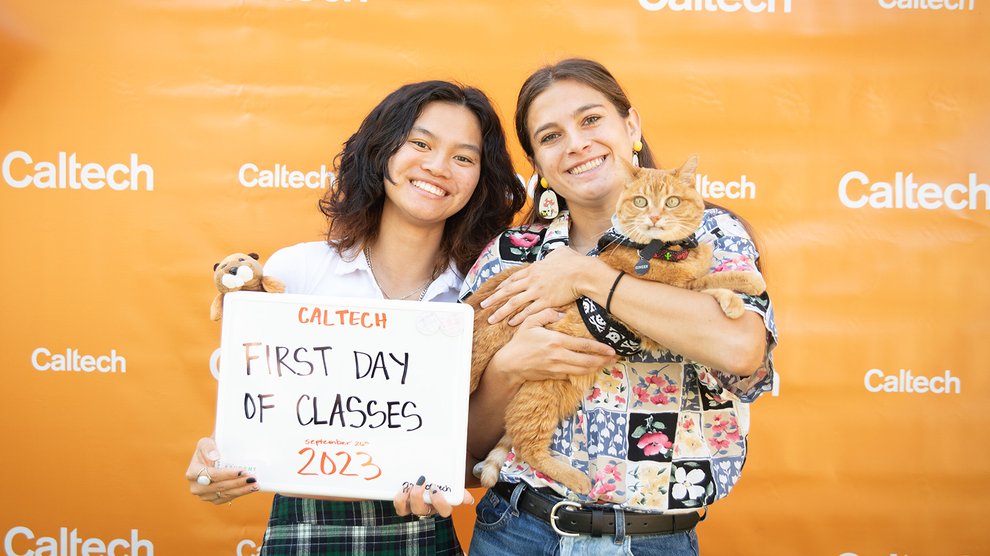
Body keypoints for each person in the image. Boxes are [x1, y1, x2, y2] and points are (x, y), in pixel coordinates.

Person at [185, 80, 525, 555]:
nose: (437, 167)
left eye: (463, 158)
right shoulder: (296, 271)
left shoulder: (483, 297)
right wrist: (214, 467)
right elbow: (255, 419)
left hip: (424, 533)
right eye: (420, 144)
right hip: (303, 530)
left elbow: (476, 451)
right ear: (382, 151)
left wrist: (452, 479)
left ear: (480, 181)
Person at [461, 59, 777, 556]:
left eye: (590, 120)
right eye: (550, 137)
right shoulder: (513, 253)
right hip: (518, 528)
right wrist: (508, 370)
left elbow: (740, 349)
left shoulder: (711, 234)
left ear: (630, 126)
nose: (576, 144)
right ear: (537, 166)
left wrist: (586, 274)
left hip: (655, 539)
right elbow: (469, 442)